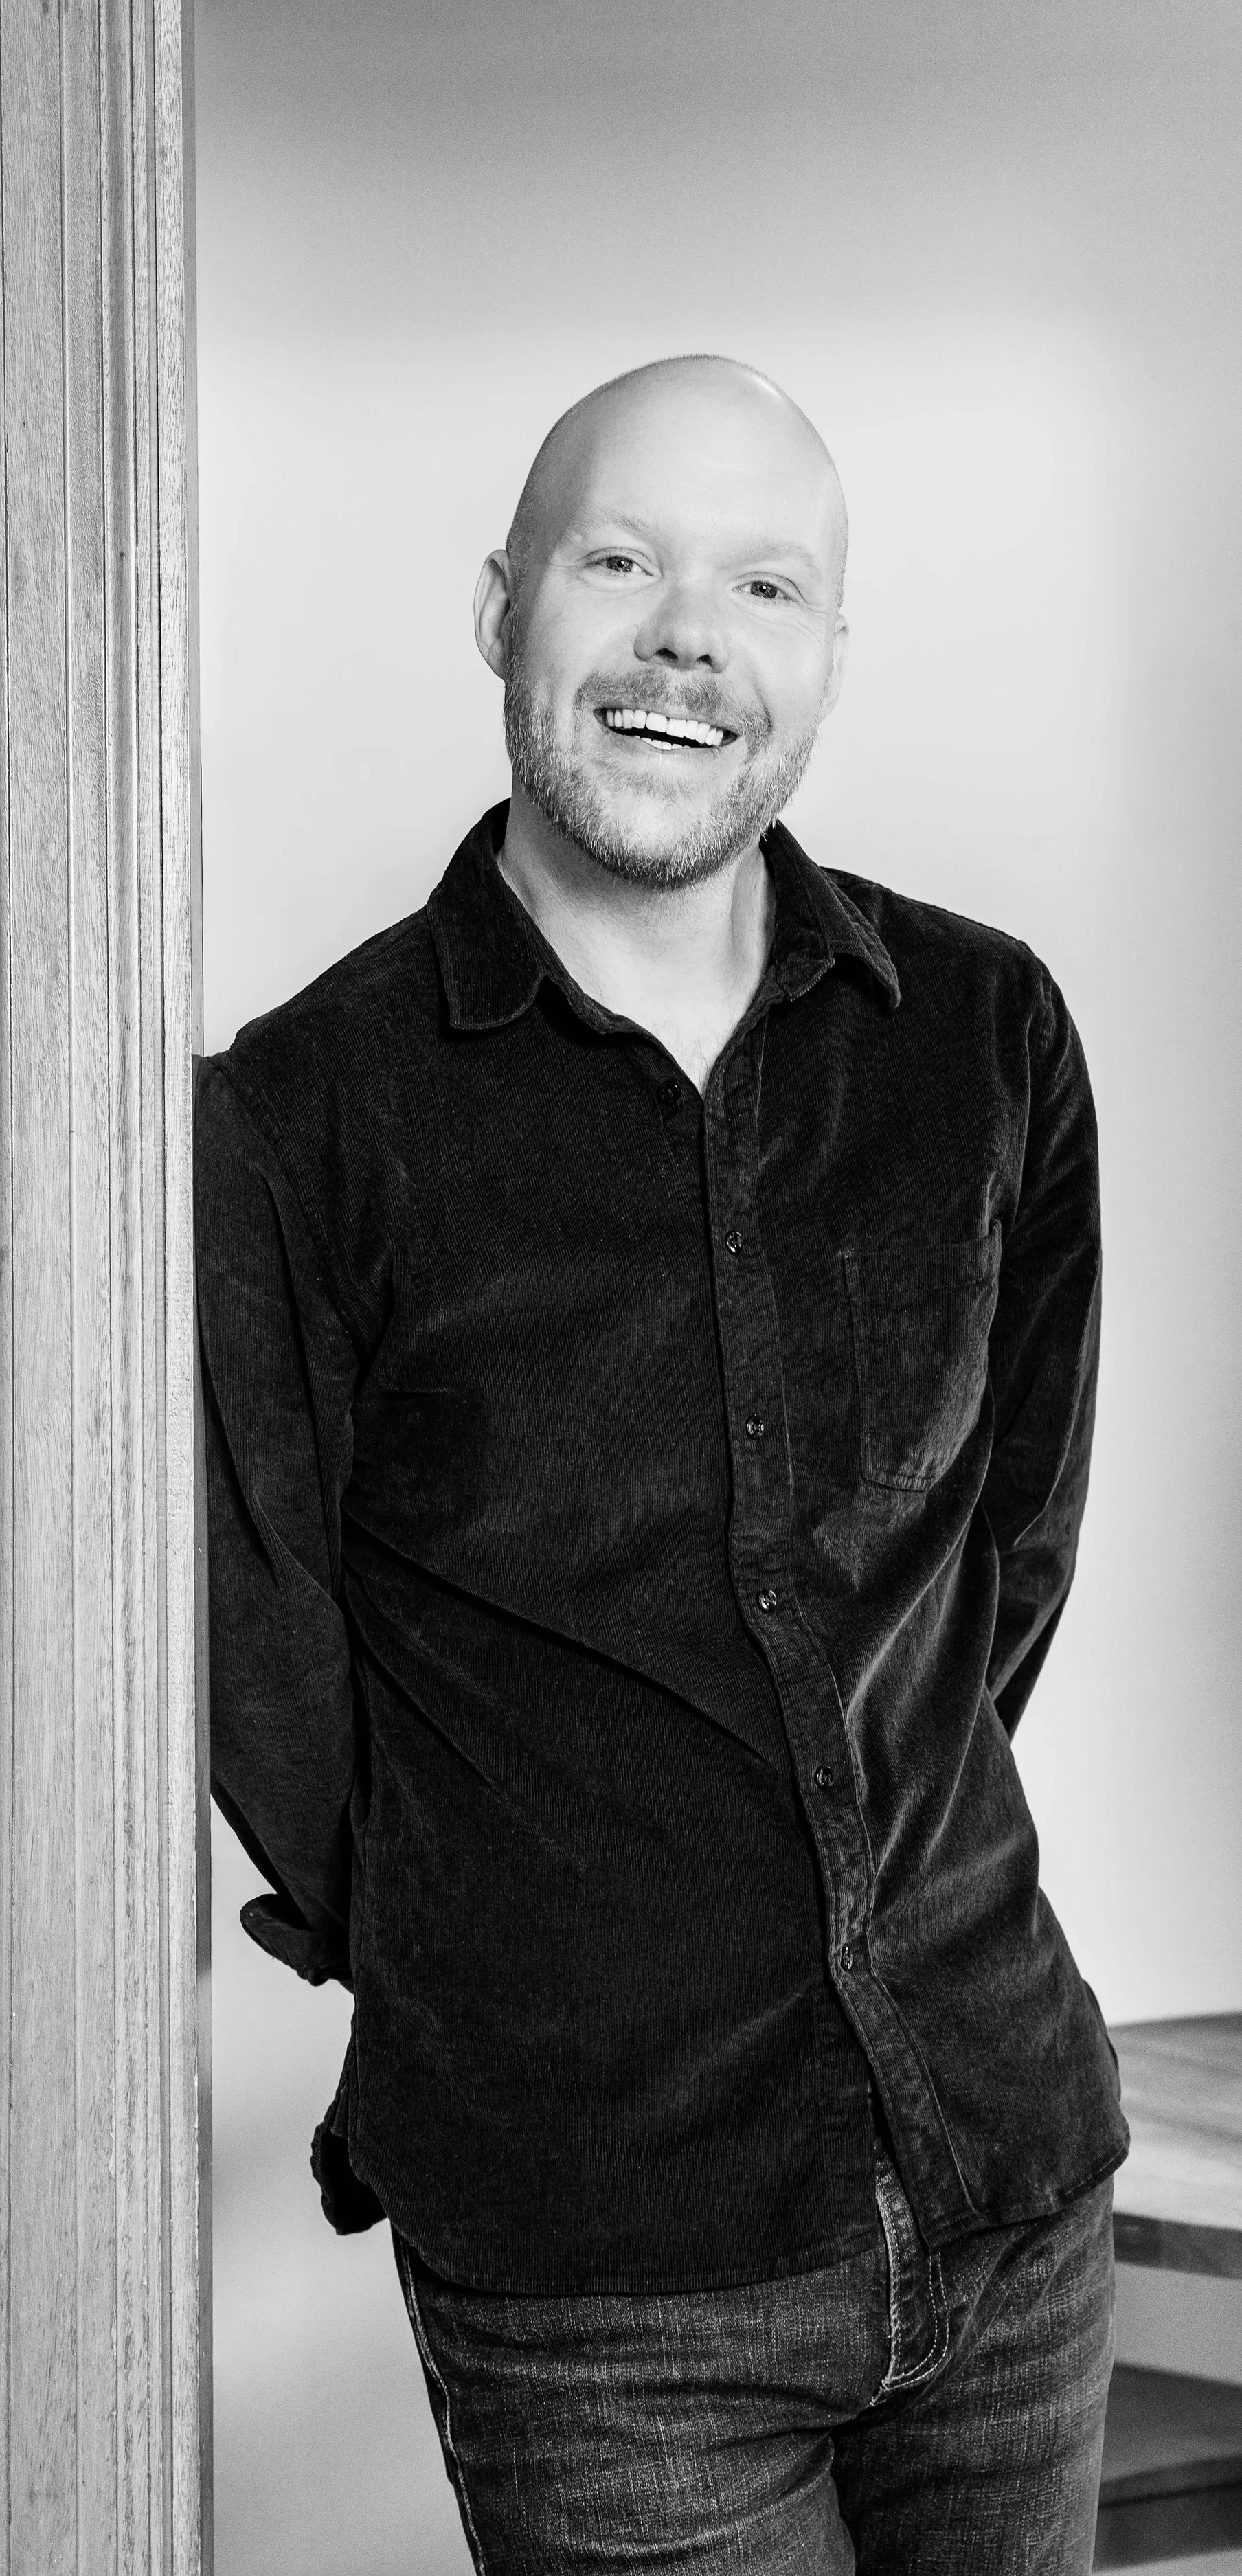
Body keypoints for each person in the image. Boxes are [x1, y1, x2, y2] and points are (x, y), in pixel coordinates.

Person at [194, 354, 1127, 2574]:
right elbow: (267, 1669)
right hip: (605, 2284)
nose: (687, 634)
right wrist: (523, 1969)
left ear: (821, 655)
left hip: (1007, 2184)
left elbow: (1003, 1553)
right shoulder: (293, 1120)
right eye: (619, 559)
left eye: (762, 582)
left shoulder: (985, 1038)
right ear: (505, 605)